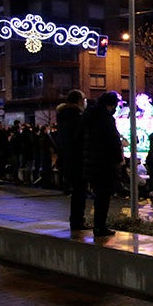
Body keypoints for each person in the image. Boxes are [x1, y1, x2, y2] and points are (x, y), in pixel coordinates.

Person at [81, 91, 123, 238]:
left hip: (91, 162)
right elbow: (113, 141)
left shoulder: (88, 117)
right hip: (104, 163)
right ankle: (100, 226)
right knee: (103, 196)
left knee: (99, 194)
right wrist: (118, 159)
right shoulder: (105, 119)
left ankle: (99, 225)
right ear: (110, 105)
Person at [56, 89, 88, 231]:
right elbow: (81, 139)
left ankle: (76, 220)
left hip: (67, 159)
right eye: (84, 99)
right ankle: (77, 221)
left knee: (76, 191)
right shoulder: (77, 118)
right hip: (78, 159)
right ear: (79, 101)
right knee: (80, 192)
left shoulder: (63, 117)